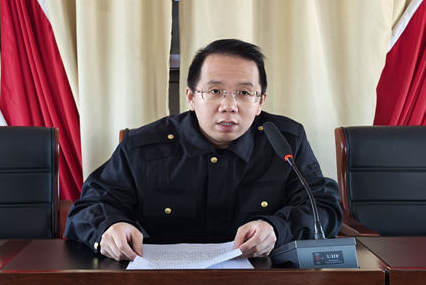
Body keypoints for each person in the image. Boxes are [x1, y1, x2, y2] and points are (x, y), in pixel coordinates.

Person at [65, 39, 342, 261]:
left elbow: (323, 206)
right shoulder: (144, 146)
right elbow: (89, 207)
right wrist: (109, 227)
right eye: (215, 91)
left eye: (244, 93)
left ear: (260, 102)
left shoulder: (284, 141)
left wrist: (277, 229)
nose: (229, 106)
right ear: (191, 98)